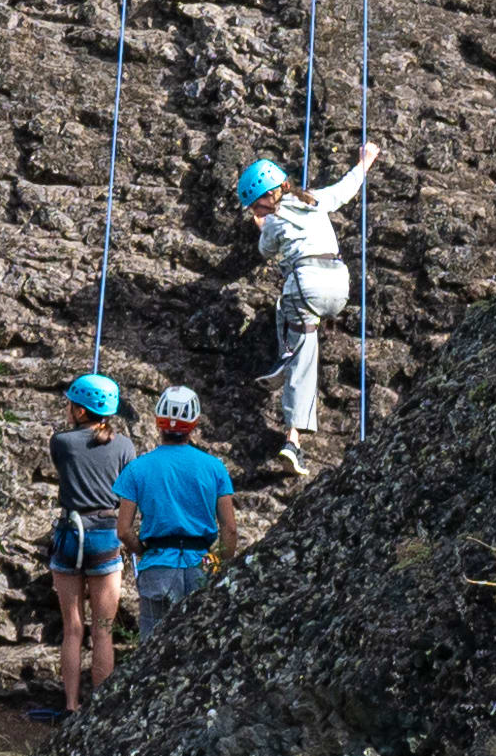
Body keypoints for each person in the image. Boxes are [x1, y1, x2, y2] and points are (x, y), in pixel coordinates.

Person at [238, 142, 376, 446]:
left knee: (295, 334)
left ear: (268, 196)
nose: (254, 211)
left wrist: (262, 226)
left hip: (306, 285)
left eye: (254, 206)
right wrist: (365, 161)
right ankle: (291, 356)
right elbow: (344, 189)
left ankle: (293, 436)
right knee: (297, 323)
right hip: (339, 286)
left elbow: (266, 250)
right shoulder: (314, 200)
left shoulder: (272, 219)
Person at [42, 370, 131, 717]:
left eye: (70, 403)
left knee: (72, 628)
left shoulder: (61, 442)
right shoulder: (124, 445)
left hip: (70, 534)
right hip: (106, 535)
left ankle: (71, 706)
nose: (67, 407)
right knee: (104, 631)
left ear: (80, 411)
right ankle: (100, 713)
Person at [115, 386, 239, 633]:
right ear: (194, 424)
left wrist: (144, 551)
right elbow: (230, 529)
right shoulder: (214, 467)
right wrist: (222, 566)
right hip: (200, 565)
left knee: (152, 650)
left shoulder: (138, 468)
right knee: (200, 645)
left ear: (158, 422)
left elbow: (123, 531)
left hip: (157, 565)